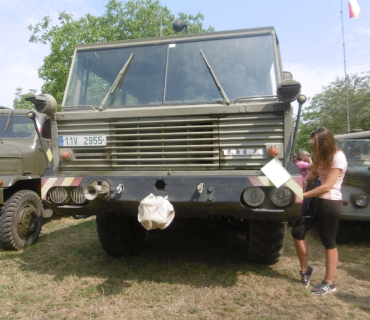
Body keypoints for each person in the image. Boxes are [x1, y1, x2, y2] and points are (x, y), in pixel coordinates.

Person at [291, 127, 347, 295]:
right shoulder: (321, 156)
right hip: (316, 201)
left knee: (328, 242)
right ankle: (306, 270)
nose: (313, 149)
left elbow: (327, 186)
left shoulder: (338, 157)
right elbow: (313, 173)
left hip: (330, 203)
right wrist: (302, 182)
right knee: (297, 231)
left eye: (315, 146)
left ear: (324, 143)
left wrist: (302, 194)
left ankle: (329, 282)